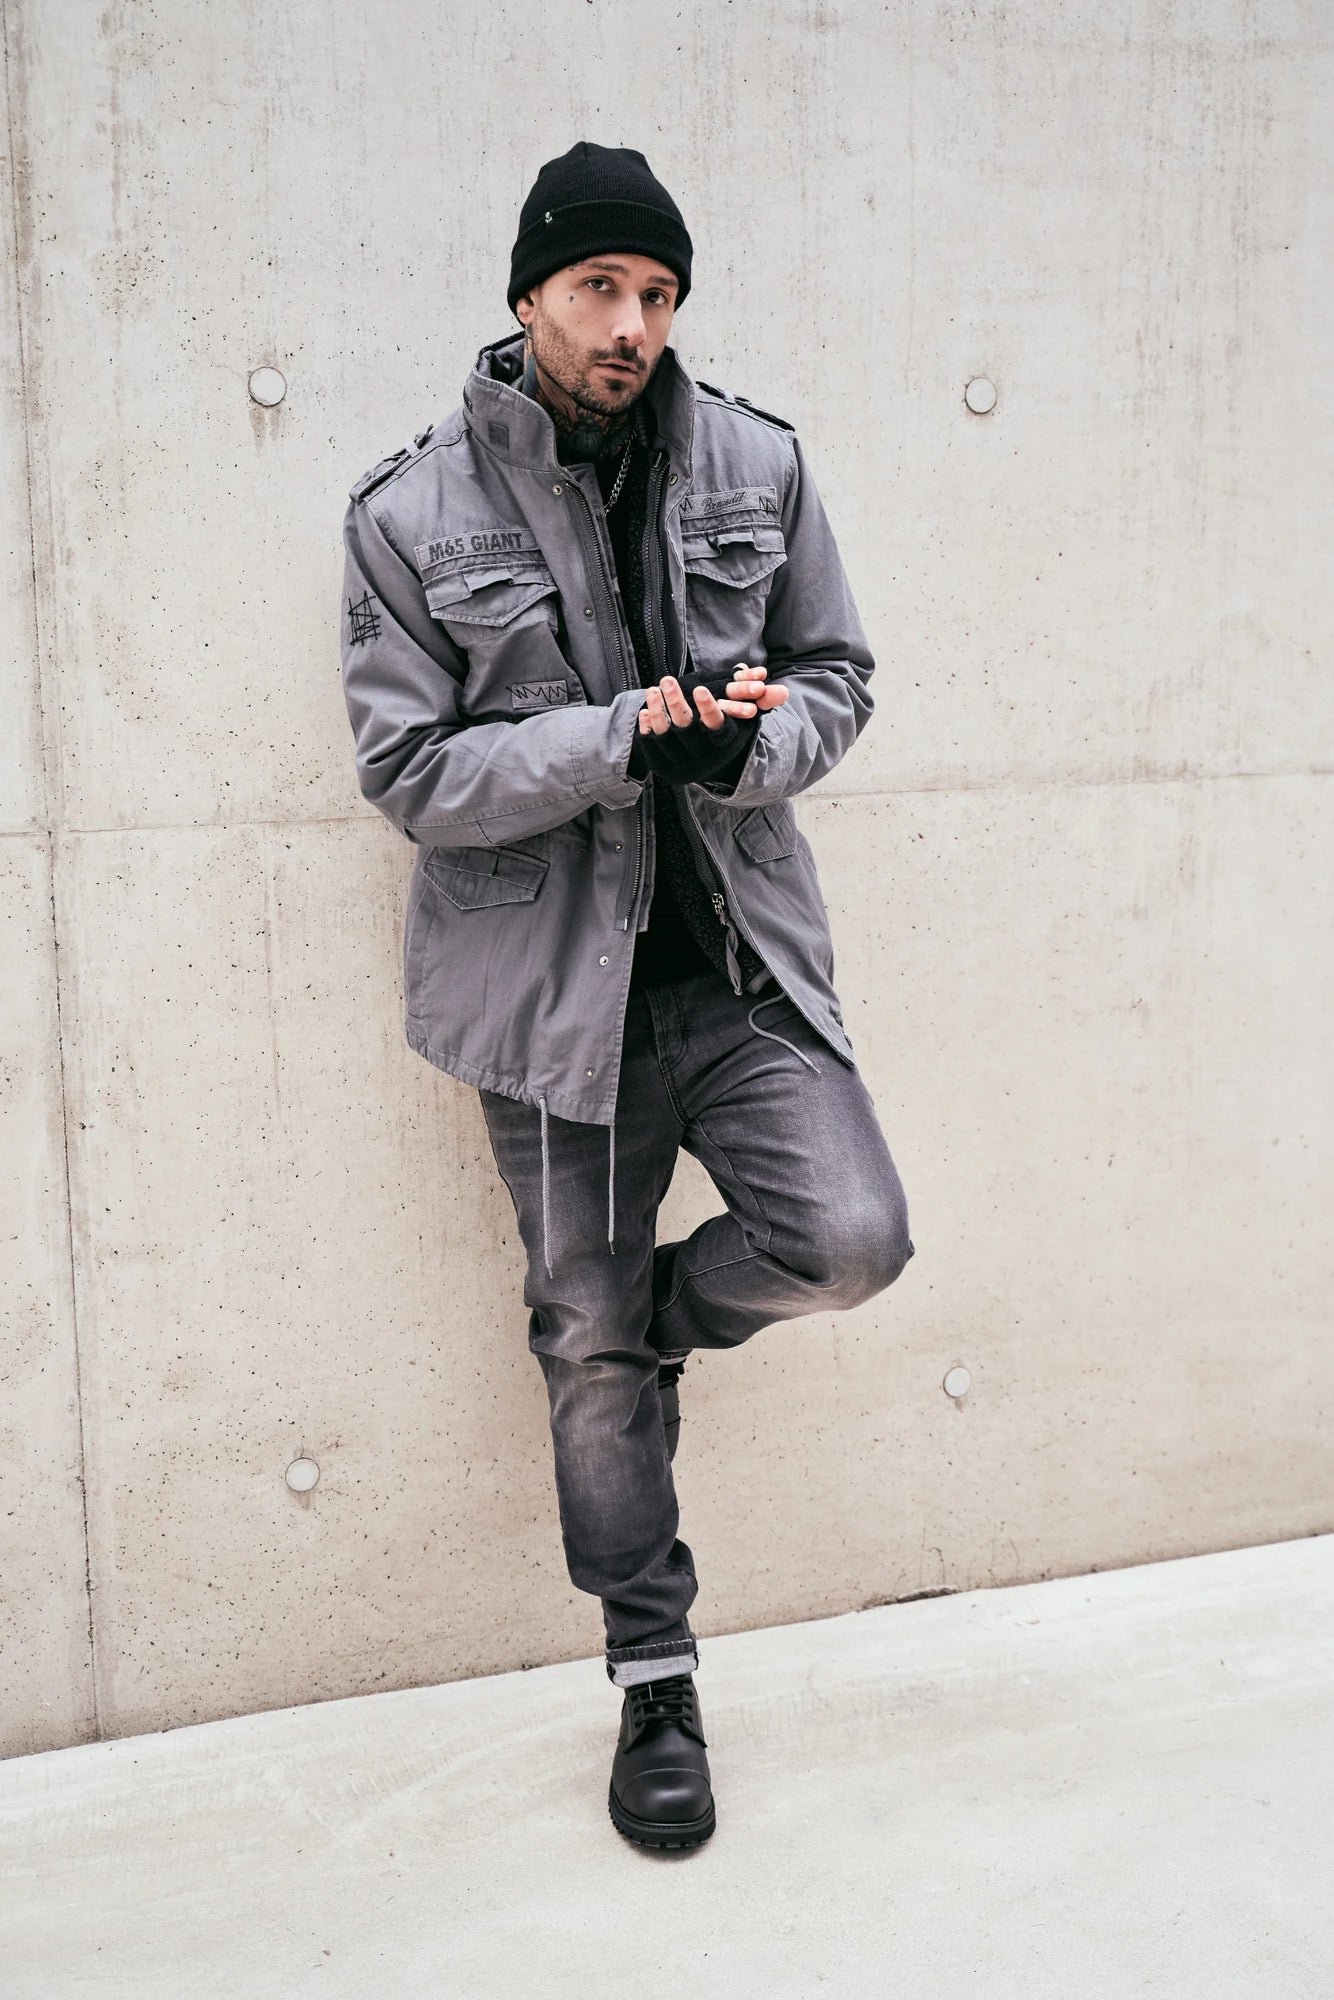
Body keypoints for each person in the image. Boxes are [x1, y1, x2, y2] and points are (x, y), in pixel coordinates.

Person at [340, 141, 914, 1851]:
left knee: (848, 1240)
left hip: (734, 971)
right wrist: (620, 739)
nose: (631, 325)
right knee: (577, 1340)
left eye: (657, 294)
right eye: (599, 287)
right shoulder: (407, 513)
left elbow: (838, 675)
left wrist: (751, 746)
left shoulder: (756, 460)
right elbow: (410, 774)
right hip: (548, 1011)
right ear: (530, 293)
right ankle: (653, 1677)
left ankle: (639, 1328)